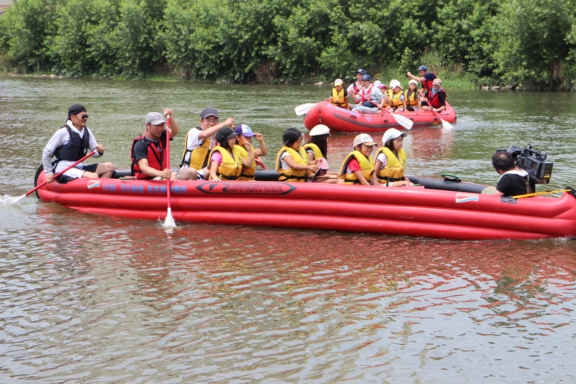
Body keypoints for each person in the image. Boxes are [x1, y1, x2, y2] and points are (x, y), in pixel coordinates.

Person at [42, 104, 114, 184]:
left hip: (79, 166)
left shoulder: (87, 132)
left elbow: (95, 154)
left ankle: (100, 193)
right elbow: (46, 152)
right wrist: (49, 173)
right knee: (94, 176)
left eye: (86, 116)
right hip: (64, 168)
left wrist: (99, 150)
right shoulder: (63, 132)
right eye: (83, 117)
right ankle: (94, 193)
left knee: (109, 167)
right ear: (72, 117)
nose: (85, 119)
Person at [179, 108, 235, 180]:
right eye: (208, 120)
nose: (211, 123)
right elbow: (205, 134)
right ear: (201, 121)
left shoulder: (219, 137)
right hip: (189, 174)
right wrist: (225, 123)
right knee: (193, 171)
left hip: (207, 173)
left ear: (217, 121)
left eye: (214, 120)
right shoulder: (194, 132)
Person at [131, 110, 180, 181]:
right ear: (148, 125)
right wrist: (161, 173)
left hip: (160, 177)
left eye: (162, 125)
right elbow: (144, 168)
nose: (160, 128)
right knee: (173, 175)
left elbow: (175, 132)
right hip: (145, 181)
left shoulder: (162, 136)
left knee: (187, 173)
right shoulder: (140, 144)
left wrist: (171, 118)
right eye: (157, 125)